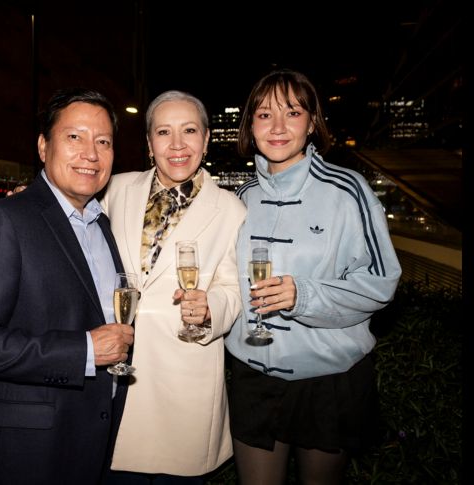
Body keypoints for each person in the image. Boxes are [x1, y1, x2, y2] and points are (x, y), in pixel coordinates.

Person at [0, 88, 135, 485]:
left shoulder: (102, 224)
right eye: (74, 137)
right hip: (27, 452)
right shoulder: (3, 220)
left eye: (103, 141)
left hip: (92, 441)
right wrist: (83, 350)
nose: (90, 153)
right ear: (43, 146)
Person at [224, 68, 402, 485]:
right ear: (250, 125)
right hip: (253, 377)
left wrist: (302, 296)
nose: (279, 127)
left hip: (329, 382)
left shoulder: (349, 190)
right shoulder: (240, 198)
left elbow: (381, 281)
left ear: (312, 122)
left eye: (292, 112)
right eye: (265, 115)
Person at [100, 90, 246, 483]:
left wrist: (211, 306)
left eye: (189, 131)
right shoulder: (114, 190)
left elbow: (234, 287)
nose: (177, 145)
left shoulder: (231, 209)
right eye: (164, 132)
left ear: (206, 139)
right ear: (149, 144)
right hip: (115, 376)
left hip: (184, 379)